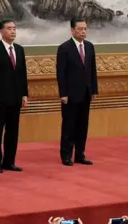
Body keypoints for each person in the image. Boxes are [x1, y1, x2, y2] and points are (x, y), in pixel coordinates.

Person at [0, 19, 28, 173]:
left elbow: (22, 75)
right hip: (0, 99)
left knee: (13, 131)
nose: (13, 31)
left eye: (14, 28)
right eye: (9, 29)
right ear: (1, 32)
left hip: (16, 98)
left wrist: (24, 94)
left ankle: (9, 161)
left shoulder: (20, 50)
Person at [56, 18, 98, 166]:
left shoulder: (89, 47)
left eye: (85, 29)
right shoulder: (64, 48)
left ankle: (80, 154)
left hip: (86, 93)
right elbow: (61, 73)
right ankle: (66, 155)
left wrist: (94, 89)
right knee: (69, 126)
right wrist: (63, 93)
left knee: (82, 125)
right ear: (72, 30)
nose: (83, 31)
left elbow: (92, 70)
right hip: (70, 95)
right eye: (80, 29)